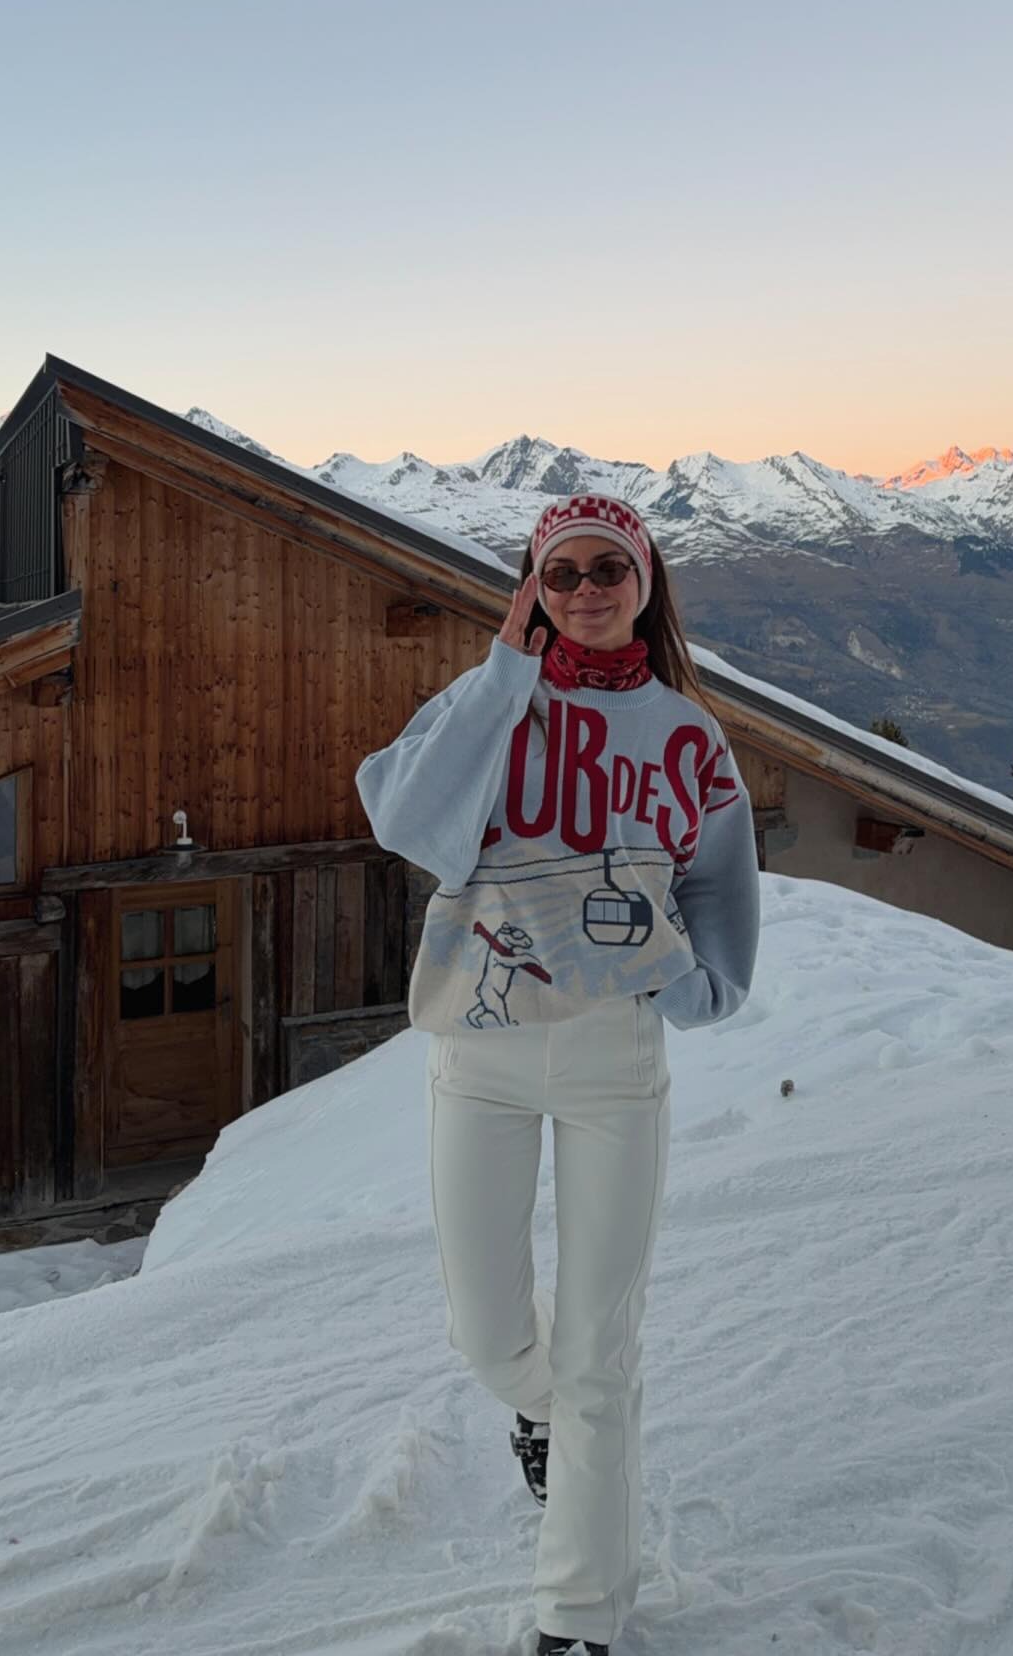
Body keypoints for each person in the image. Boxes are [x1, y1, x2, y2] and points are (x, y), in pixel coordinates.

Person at [356, 492, 761, 1655]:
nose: (588, 590)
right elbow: (413, 827)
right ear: (533, 585)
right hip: (478, 1047)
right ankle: (536, 1412)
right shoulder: (481, 704)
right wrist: (501, 670)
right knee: (488, 1331)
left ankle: (580, 1616)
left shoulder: (688, 732)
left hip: (612, 1056)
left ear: (646, 584)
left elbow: (722, 876)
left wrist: (696, 984)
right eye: (563, 571)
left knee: (601, 1349)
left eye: (609, 570)